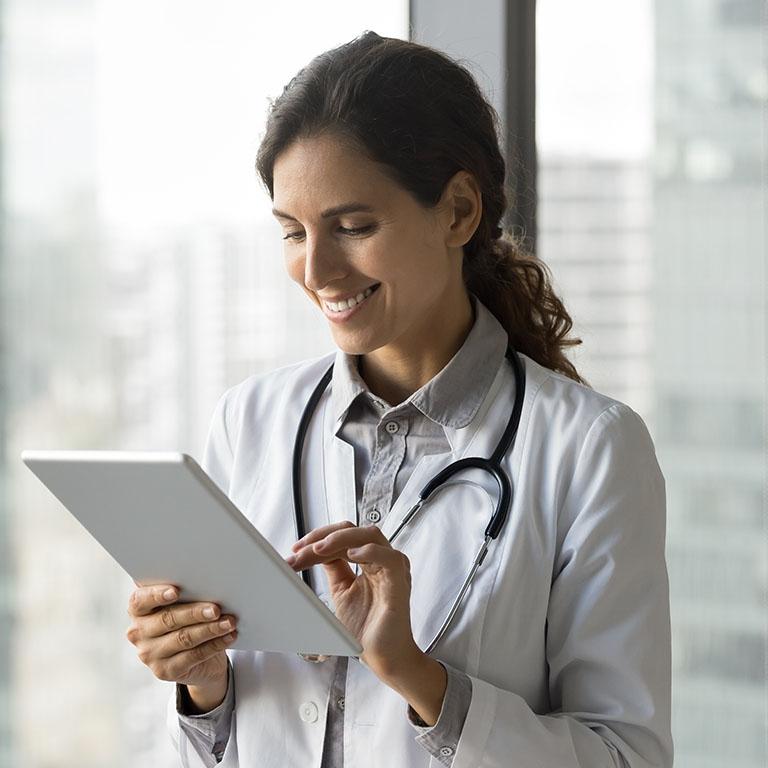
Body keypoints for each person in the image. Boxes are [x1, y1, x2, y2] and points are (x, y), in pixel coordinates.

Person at [125, 30, 673, 768]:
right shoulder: (249, 422)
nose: (316, 269)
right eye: (293, 232)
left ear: (456, 211)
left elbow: (628, 756)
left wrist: (417, 677)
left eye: (352, 227)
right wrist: (203, 688)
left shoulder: (590, 449)